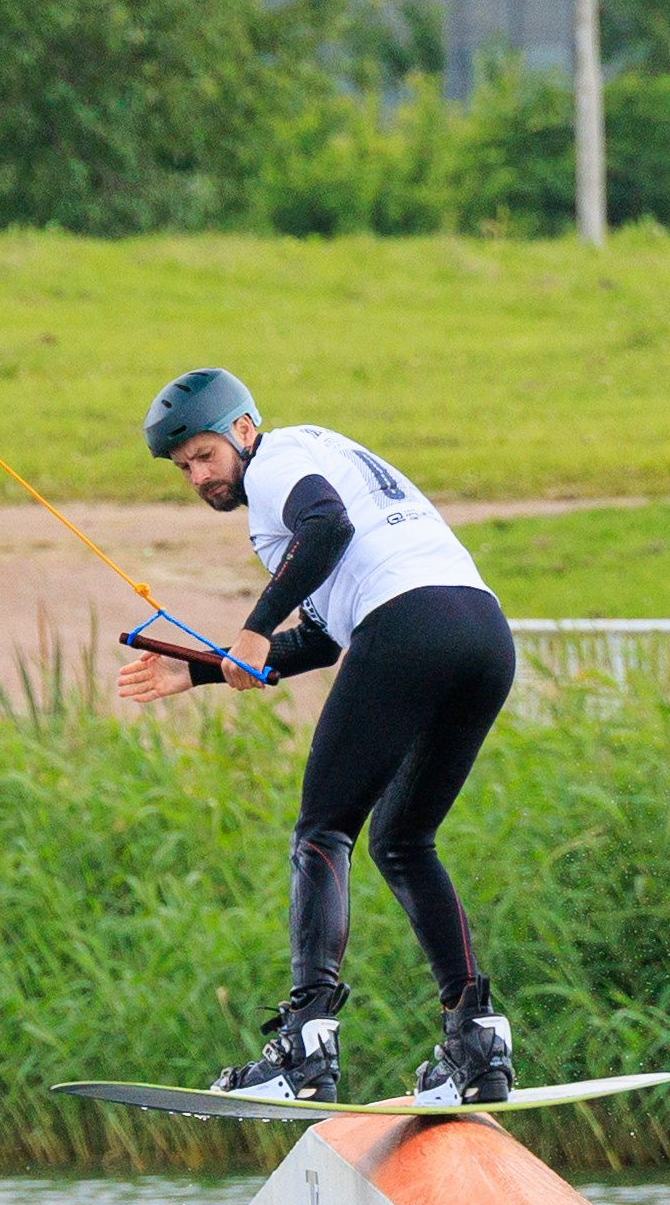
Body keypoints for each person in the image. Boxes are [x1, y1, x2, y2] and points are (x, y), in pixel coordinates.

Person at [117, 367, 517, 1107]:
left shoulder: (277, 464)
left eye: (203, 455)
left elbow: (326, 525)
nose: (198, 476)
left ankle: (304, 1049)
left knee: (321, 832)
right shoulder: (320, 455)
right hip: (483, 635)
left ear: (242, 428)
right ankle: (477, 1041)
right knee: (401, 840)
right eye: (182, 469)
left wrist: (253, 628)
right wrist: (201, 671)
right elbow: (328, 638)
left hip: (407, 626)